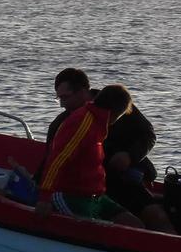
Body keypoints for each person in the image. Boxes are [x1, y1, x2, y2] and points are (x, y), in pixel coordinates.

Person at [28, 68, 174, 231]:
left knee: (156, 217)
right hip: (80, 190)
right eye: (59, 99)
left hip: (119, 181)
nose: (62, 104)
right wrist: (42, 195)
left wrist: (130, 156)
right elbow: (54, 160)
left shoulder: (115, 102)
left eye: (65, 97)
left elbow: (147, 134)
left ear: (83, 91)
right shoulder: (67, 123)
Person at [33, 84, 143, 226]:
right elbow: (57, 159)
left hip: (95, 196)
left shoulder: (98, 123)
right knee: (96, 229)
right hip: (70, 195)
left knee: (135, 225)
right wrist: (45, 197)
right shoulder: (83, 122)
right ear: (115, 113)